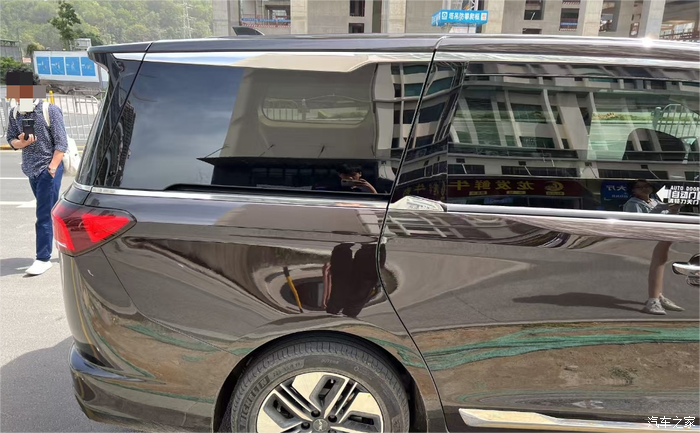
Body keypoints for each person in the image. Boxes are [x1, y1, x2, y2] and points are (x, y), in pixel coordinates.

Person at [5, 69, 68, 276]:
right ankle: (75, 237)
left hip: (48, 168)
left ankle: (43, 258)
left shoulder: (50, 110)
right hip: (30, 169)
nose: (13, 94)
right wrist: (21, 142)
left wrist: (51, 169)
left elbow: (61, 144)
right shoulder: (15, 112)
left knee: (43, 215)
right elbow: (11, 139)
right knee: (52, 210)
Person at [623, 179, 684, 315]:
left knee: (660, 267)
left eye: (647, 186)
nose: (644, 188)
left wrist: (674, 210)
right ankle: (653, 300)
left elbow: (667, 219)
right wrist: (661, 209)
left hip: (662, 237)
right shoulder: (633, 204)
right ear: (633, 190)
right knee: (656, 267)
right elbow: (639, 223)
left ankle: (657, 296)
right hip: (647, 240)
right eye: (640, 187)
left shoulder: (656, 202)